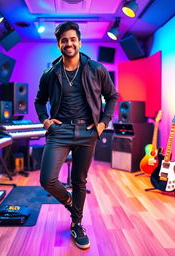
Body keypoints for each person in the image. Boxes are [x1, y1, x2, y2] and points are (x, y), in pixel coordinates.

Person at [34, 21, 118, 250]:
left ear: (79, 42)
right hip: (59, 131)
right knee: (47, 179)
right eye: (64, 40)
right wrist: (45, 121)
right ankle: (70, 203)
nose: (68, 43)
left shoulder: (96, 69)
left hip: (87, 131)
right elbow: (39, 101)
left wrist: (102, 124)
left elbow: (112, 96)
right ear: (58, 44)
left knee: (80, 180)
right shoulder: (50, 73)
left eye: (72, 39)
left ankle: (77, 224)